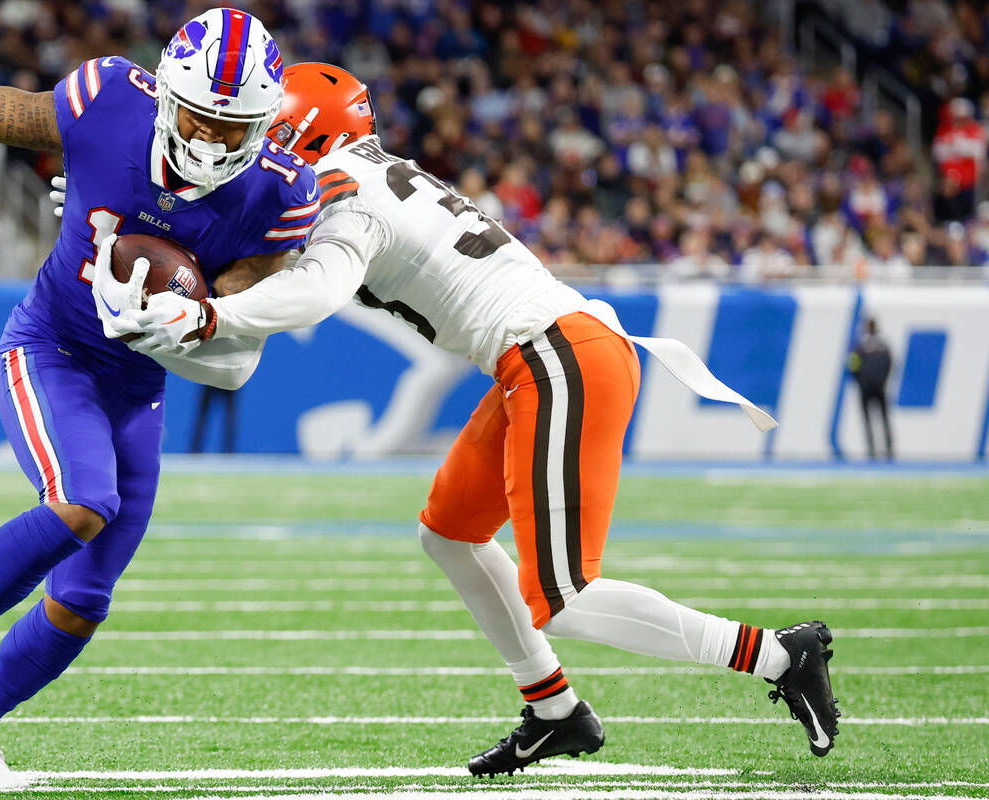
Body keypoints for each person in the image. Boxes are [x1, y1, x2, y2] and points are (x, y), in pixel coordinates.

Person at [97, 63, 840, 775]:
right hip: (543, 356)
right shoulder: (374, 176)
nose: (256, 152)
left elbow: (316, 292)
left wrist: (208, 312)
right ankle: (554, 711)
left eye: (268, 135)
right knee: (449, 532)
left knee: (564, 596)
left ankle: (780, 653)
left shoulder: (344, 193)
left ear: (303, 134)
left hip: (558, 356)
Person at [0, 9, 316, 789]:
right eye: (201, 118)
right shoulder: (110, 97)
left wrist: (194, 311)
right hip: (50, 346)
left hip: (138, 381)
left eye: (233, 125)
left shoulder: (281, 189)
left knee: (84, 599)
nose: (213, 141)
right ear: (168, 95)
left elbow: (242, 297)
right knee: (84, 503)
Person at [848, 317, 894, 460]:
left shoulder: (865, 347)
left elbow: (889, 365)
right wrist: (862, 382)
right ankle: (874, 450)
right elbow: (853, 366)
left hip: (876, 388)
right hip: (870, 388)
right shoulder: (862, 347)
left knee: (882, 420)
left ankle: (887, 449)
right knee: (872, 421)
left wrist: (878, 381)